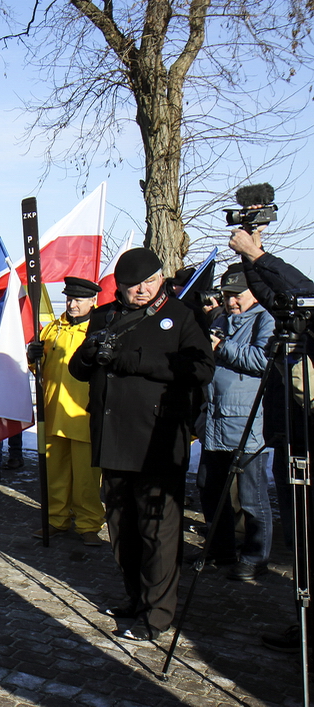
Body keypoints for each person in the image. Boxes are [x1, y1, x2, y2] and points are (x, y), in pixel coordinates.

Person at [69, 248, 214, 642]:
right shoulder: (103, 316)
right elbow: (78, 370)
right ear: (119, 286)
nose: (144, 290)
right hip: (113, 437)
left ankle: (159, 612)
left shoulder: (182, 316)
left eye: (151, 281)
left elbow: (201, 368)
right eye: (135, 285)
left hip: (157, 441)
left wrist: (139, 360)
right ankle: (136, 596)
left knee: (159, 532)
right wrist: (89, 355)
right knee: (122, 528)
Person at [229, 224, 314, 653]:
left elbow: (301, 292)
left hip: (307, 444)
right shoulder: (294, 319)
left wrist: (259, 257)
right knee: (299, 540)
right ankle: (304, 625)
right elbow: (279, 299)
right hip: (291, 438)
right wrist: (252, 255)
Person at [197, 263, 275, 580]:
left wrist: (221, 347)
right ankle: (221, 549)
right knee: (209, 487)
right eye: (227, 295)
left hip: (248, 424)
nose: (231, 302)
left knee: (252, 496)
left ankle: (256, 558)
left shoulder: (266, 319)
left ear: (253, 291)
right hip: (215, 420)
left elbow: (262, 360)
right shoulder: (223, 320)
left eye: (237, 295)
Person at [26, 277, 104, 545]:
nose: (72, 304)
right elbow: (41, 370)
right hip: (53, 412)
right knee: (55, 473)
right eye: (69, 298)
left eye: (78, 299)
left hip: (84, 415)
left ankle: (89, 523)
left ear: (93, 301)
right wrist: (32, 356)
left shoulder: (98, 331)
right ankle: (56, 519)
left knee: (86, 478)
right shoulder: (52, 330)